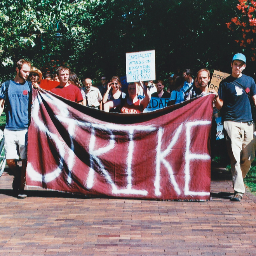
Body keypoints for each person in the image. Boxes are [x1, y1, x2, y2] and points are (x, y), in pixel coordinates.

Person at [215, 53, 256, 201]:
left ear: (244, 67)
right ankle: (238, 191)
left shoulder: (250, 81)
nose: (237, 67)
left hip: (248, 122)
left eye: (240, 64)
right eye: (235, 64)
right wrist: (215, 98)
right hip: (231, 122)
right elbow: (220, 105)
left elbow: (254, 99)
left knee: (248, 158)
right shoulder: (225, 83)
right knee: (235, 157)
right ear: (231, 65)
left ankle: (239, 179)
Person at [0, 59, 38, 198]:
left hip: (25, 129)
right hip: (10, 127)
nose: (27, 74)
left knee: (24, 159)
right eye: (24, 71)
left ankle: (20, 188)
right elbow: (1, 104)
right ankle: (17, 177)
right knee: (10, 160)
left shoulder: (30, 86)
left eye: (29, 71)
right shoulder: (6, 85)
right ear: (17, 69)